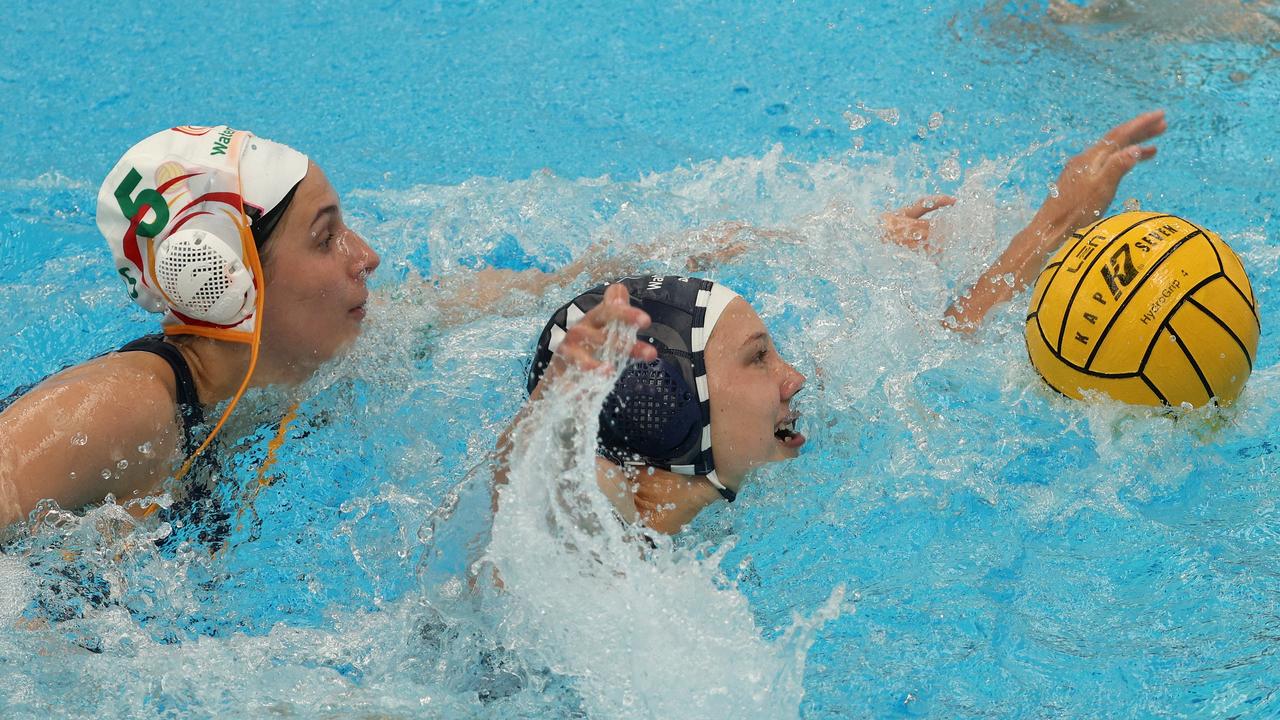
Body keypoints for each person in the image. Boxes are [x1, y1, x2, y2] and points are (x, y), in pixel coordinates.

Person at [502, 111, 1167, 535]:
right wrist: (554, 405)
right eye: (758, 359)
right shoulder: (593, 550)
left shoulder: (738, 468)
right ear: (668, 406)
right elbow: (515, 507)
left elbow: (940, 351)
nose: (794, 379)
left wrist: (1053, 225)